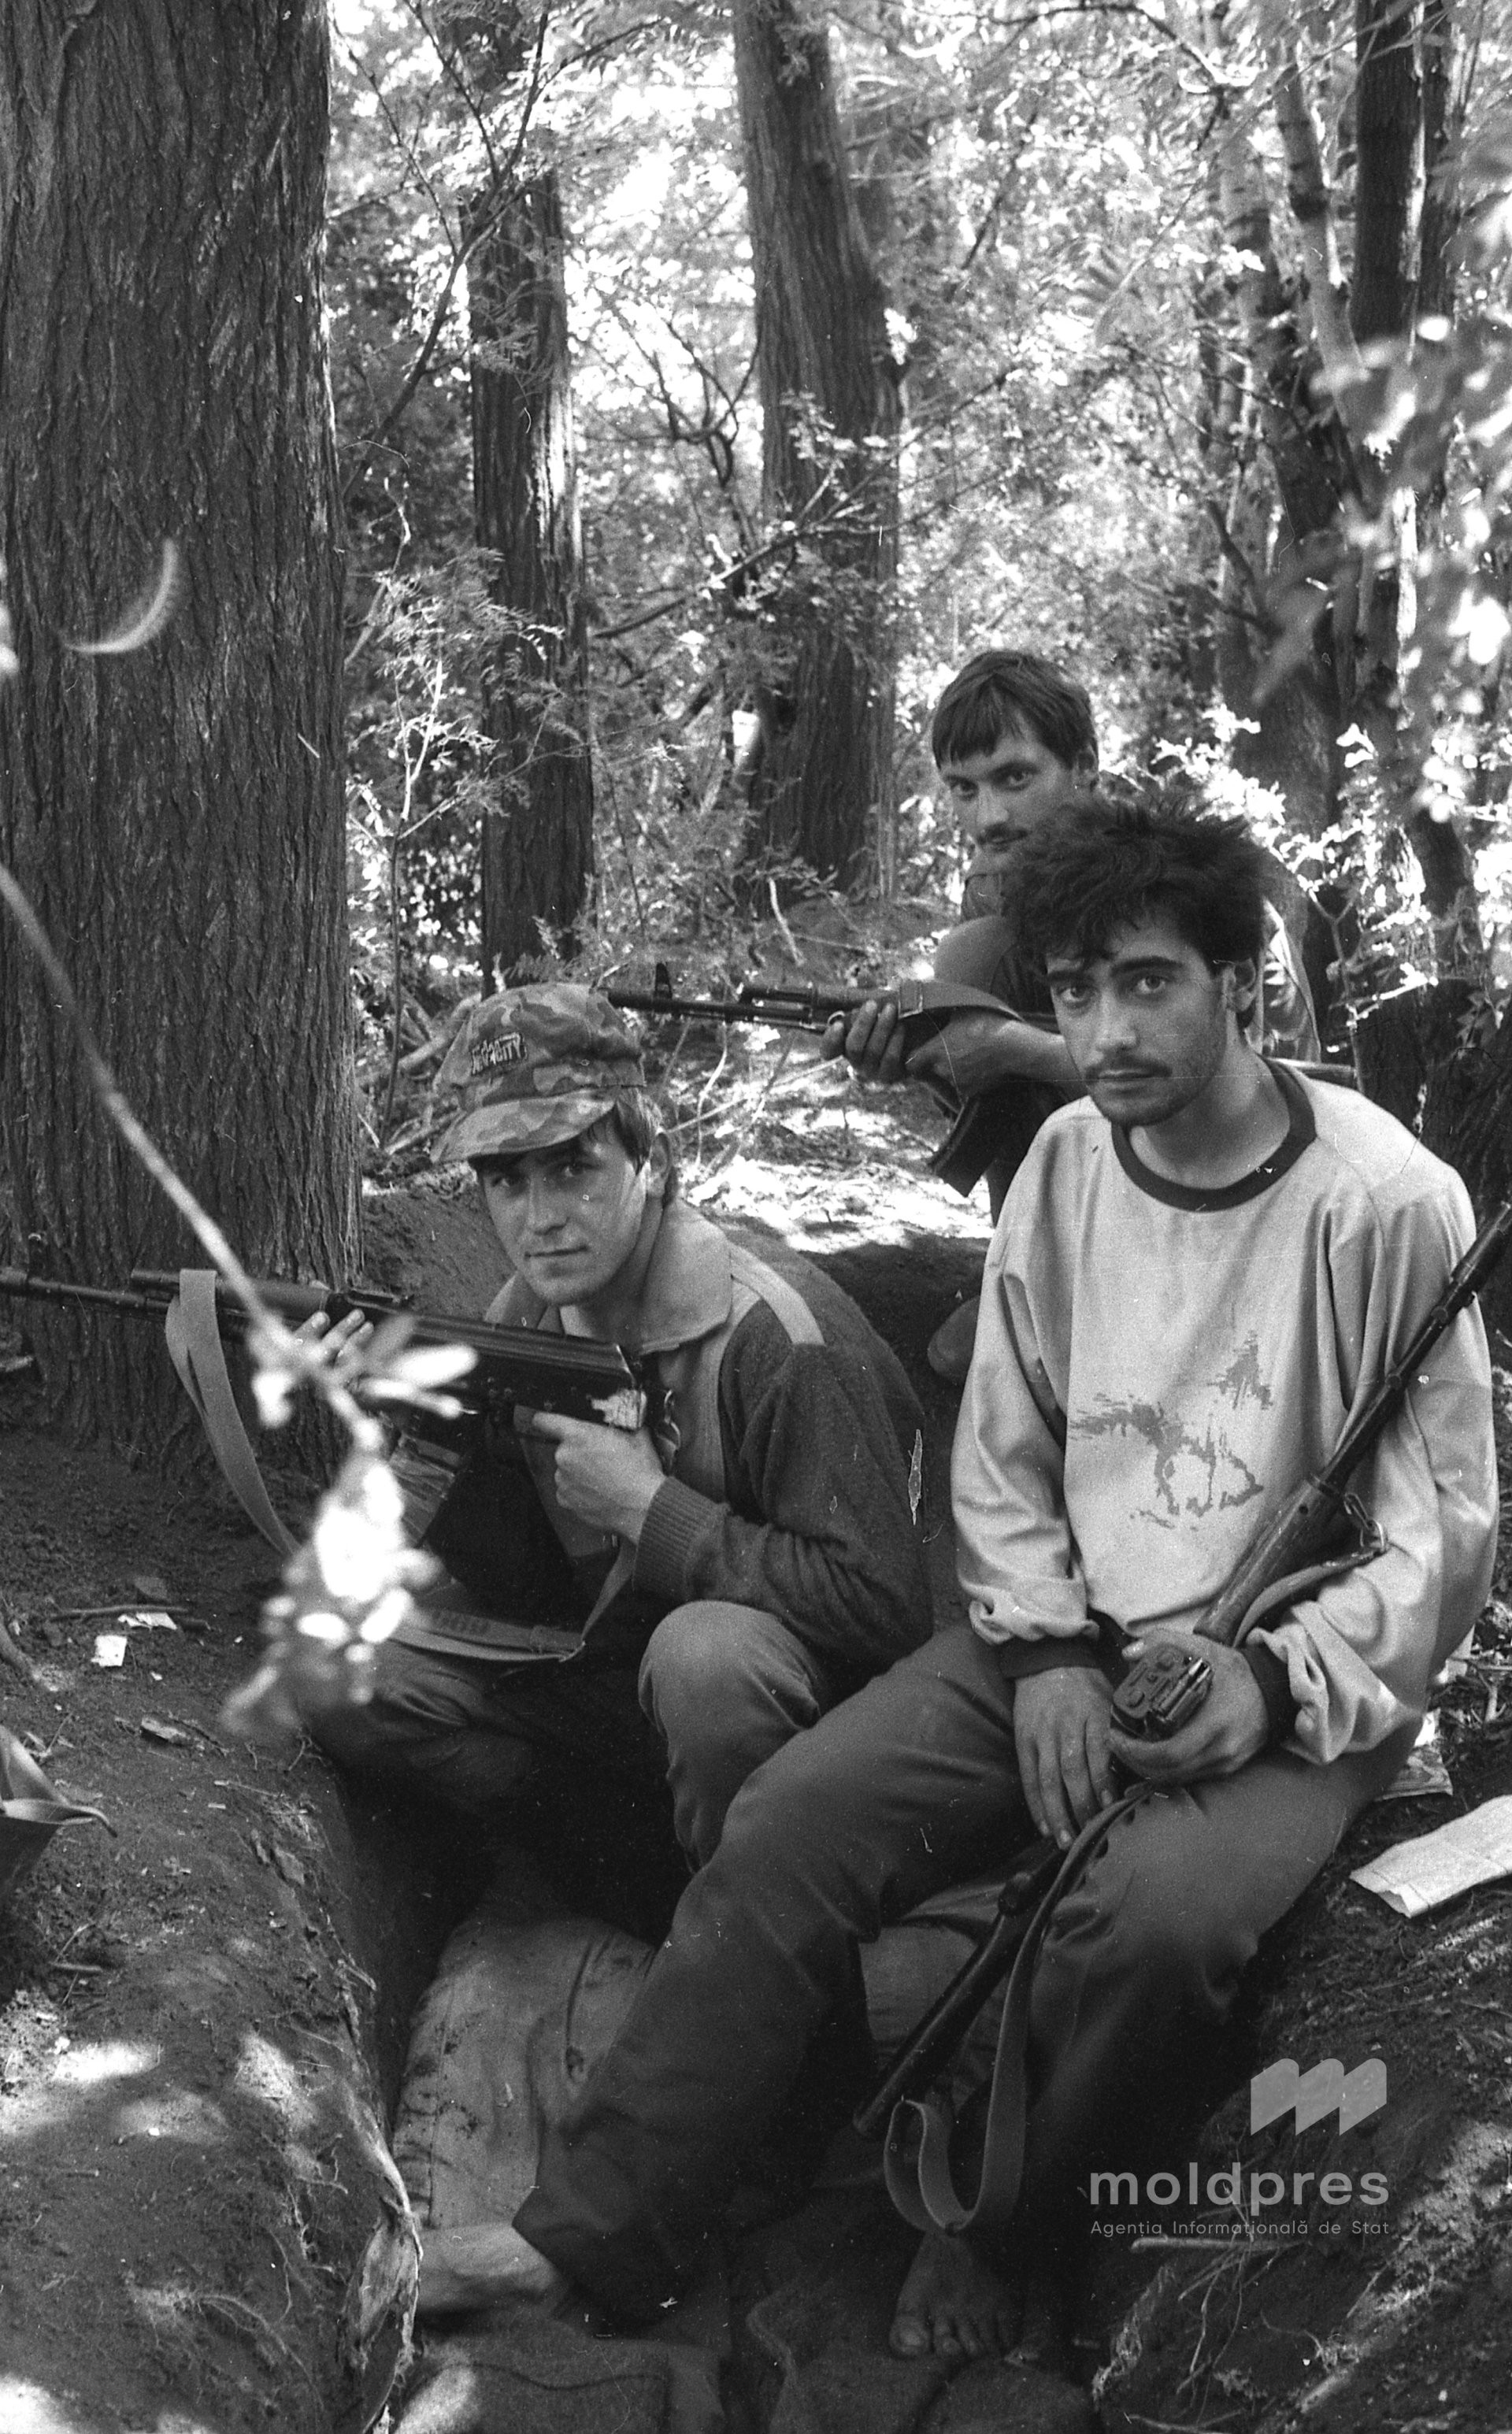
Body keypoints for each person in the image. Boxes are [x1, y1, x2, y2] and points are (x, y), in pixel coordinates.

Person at [417, 798, 1496, 2364]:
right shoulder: (1066, 1161)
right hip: (1062, 1640)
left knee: (1145, 1925)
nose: (1105, 1031)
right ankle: (591, 2229)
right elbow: (1004, 1449)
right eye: (1073, 990)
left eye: (1147, 983)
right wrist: (1046, 1650)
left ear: (1239, 986)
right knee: (792, 1820)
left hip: (1289, 1682)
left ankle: (997, 2227)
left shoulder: (1383, 1203)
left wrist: (1270, 1682)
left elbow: (1440, 1535)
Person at [306, 984, 933, 1872]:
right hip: (621, 1689)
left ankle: (751, 1918)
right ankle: (620, 1873)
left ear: (651, 1156)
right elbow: (503, 1559)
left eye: (572, 1168)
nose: (539, 1217)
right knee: (342, 1669)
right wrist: (402, 1417)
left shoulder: (779, 1339)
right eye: (507, 1180)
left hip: (815, 1739)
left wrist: (649, 1508)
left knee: (703, 1662)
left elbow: (886, 1612)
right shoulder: (528, 1312)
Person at [824, 649, 1321, 1378]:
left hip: (1251, 1181)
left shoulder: (1176, 880)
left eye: (1015, 778)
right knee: (970, 966)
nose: (990, 817)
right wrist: (929, 1054)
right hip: (1123, 1136)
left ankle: (1150, 1293)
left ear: (1084, 765)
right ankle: (1037, 1265)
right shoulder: (998, 884)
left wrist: (1013, 1048)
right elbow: (1009, 1078)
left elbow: (1238, 1083)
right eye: (964, 789)